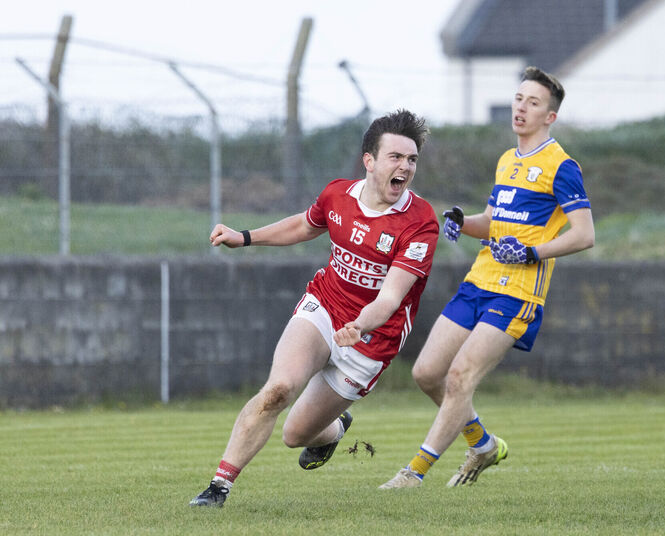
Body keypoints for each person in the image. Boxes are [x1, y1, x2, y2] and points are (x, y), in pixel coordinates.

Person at [190, 109, 437, 506]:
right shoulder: (338, 194)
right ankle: (218, 488)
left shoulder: (420, 222)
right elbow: (306, 225)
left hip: (372, 337)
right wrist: (245, 237)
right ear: (369, 160)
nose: (405, 168)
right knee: (277, 390)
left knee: (295, 435)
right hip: (324, 305)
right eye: (396, 157)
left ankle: (334, 431)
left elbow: (390, 299)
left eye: (412, 160)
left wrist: (359, 325)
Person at [379, 66, 595, 489]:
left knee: (460, 377)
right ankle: (482, 444)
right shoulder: (507, 161)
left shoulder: (562, 165)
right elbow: (495, 221)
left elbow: (584, 235)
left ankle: (414, 473)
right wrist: (465, 221)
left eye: (533, 103)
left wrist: (533, 252)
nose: (521, 108)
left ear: (549, 117)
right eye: (519, 99)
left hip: (516, 292)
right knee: (427, 374)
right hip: (479, 281)